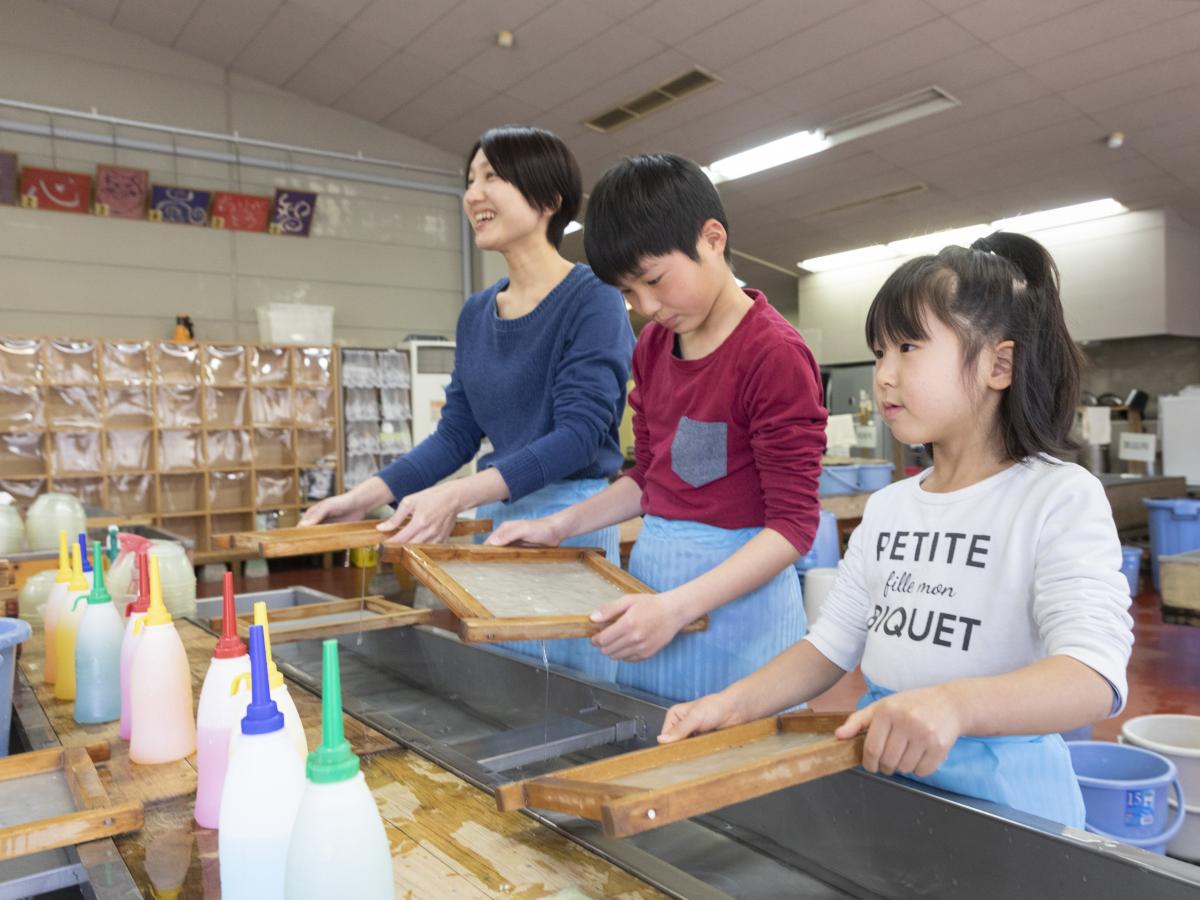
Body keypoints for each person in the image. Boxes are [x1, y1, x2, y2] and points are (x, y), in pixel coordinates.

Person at [658, 232, 1135, 827]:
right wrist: (729, 705)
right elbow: (829, 646)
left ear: (998, 364)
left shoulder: (1055, 496)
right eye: (879, 352)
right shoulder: (889, 509)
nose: (883, 375)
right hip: (890, 781)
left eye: (908, 347)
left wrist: (955, 706)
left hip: (1011, 808)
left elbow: (1092, 674)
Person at [488, 154, 827, 703]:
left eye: (654, 280)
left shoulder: (773, 354)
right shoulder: (652, 346)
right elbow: (651, 479)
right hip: (655, 595)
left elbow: (792, 528)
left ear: (712, 239)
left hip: (740, 616)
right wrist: (558, 526)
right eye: (627, 293)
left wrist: (677, 607)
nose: (645, 307)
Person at [302, 125, 634, 678]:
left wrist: (456, 495)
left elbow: (579, 437)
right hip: (496, 519)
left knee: (571, 699)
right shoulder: (477, 313)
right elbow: (456, 434)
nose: (474, 193)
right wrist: (365, 496)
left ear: (550, 200)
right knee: (503, 684)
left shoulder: (594, 299)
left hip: (572, 524)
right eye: (471, 179)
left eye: (493, 177)